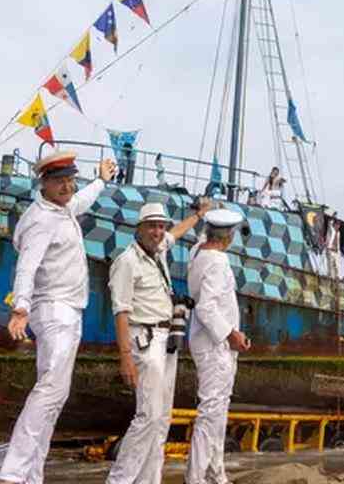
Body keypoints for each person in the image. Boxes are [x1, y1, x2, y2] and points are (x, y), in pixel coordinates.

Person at [0, 150, 116, 484]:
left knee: (55, 395)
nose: (66, 187)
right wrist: (20, 307)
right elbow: (27, 267)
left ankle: (32, 475)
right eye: (59, 181)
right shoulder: (41, 220)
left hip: (68, 311)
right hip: (54, 310)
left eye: (69, 180)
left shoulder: (62, 210)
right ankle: (13, 473)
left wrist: (101, 182)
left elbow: (81, 202)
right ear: (44, 184)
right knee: (49, 390)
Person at [106, 199, 210, 484]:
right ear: (139, 229)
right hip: (144, 342)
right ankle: (119, 480)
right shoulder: (127, 262)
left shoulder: (158, 249)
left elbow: (175, 233)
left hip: (166, 341)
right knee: (147, 417)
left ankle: (149, 480)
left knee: (162, 419)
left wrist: (198, 216)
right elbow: (121, 312)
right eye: (151, 226)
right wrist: (125, 356)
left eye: (160, 226)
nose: (157, 231)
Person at [185, 208, 250, 484]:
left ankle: (215, 472)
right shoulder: (218, 262)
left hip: (207, 342)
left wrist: (203, 215)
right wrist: (231, 334)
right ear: (228, 236)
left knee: (219, 407)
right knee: (211, 409)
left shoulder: (197, 252)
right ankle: (196, 477)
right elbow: (206, 307)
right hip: (215, 345)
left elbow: (202, 238)